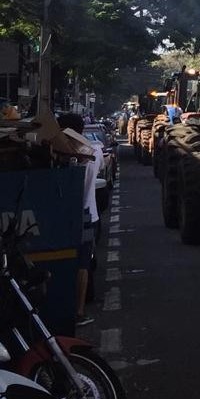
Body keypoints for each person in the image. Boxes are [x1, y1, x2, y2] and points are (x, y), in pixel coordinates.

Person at [56, 113, 100, 327]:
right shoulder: (94, 151)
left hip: (81, 214)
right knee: (82, 263)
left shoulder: (79, 154)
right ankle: (78, 309)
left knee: (81, 263)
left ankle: (78, 309)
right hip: (88, 214)